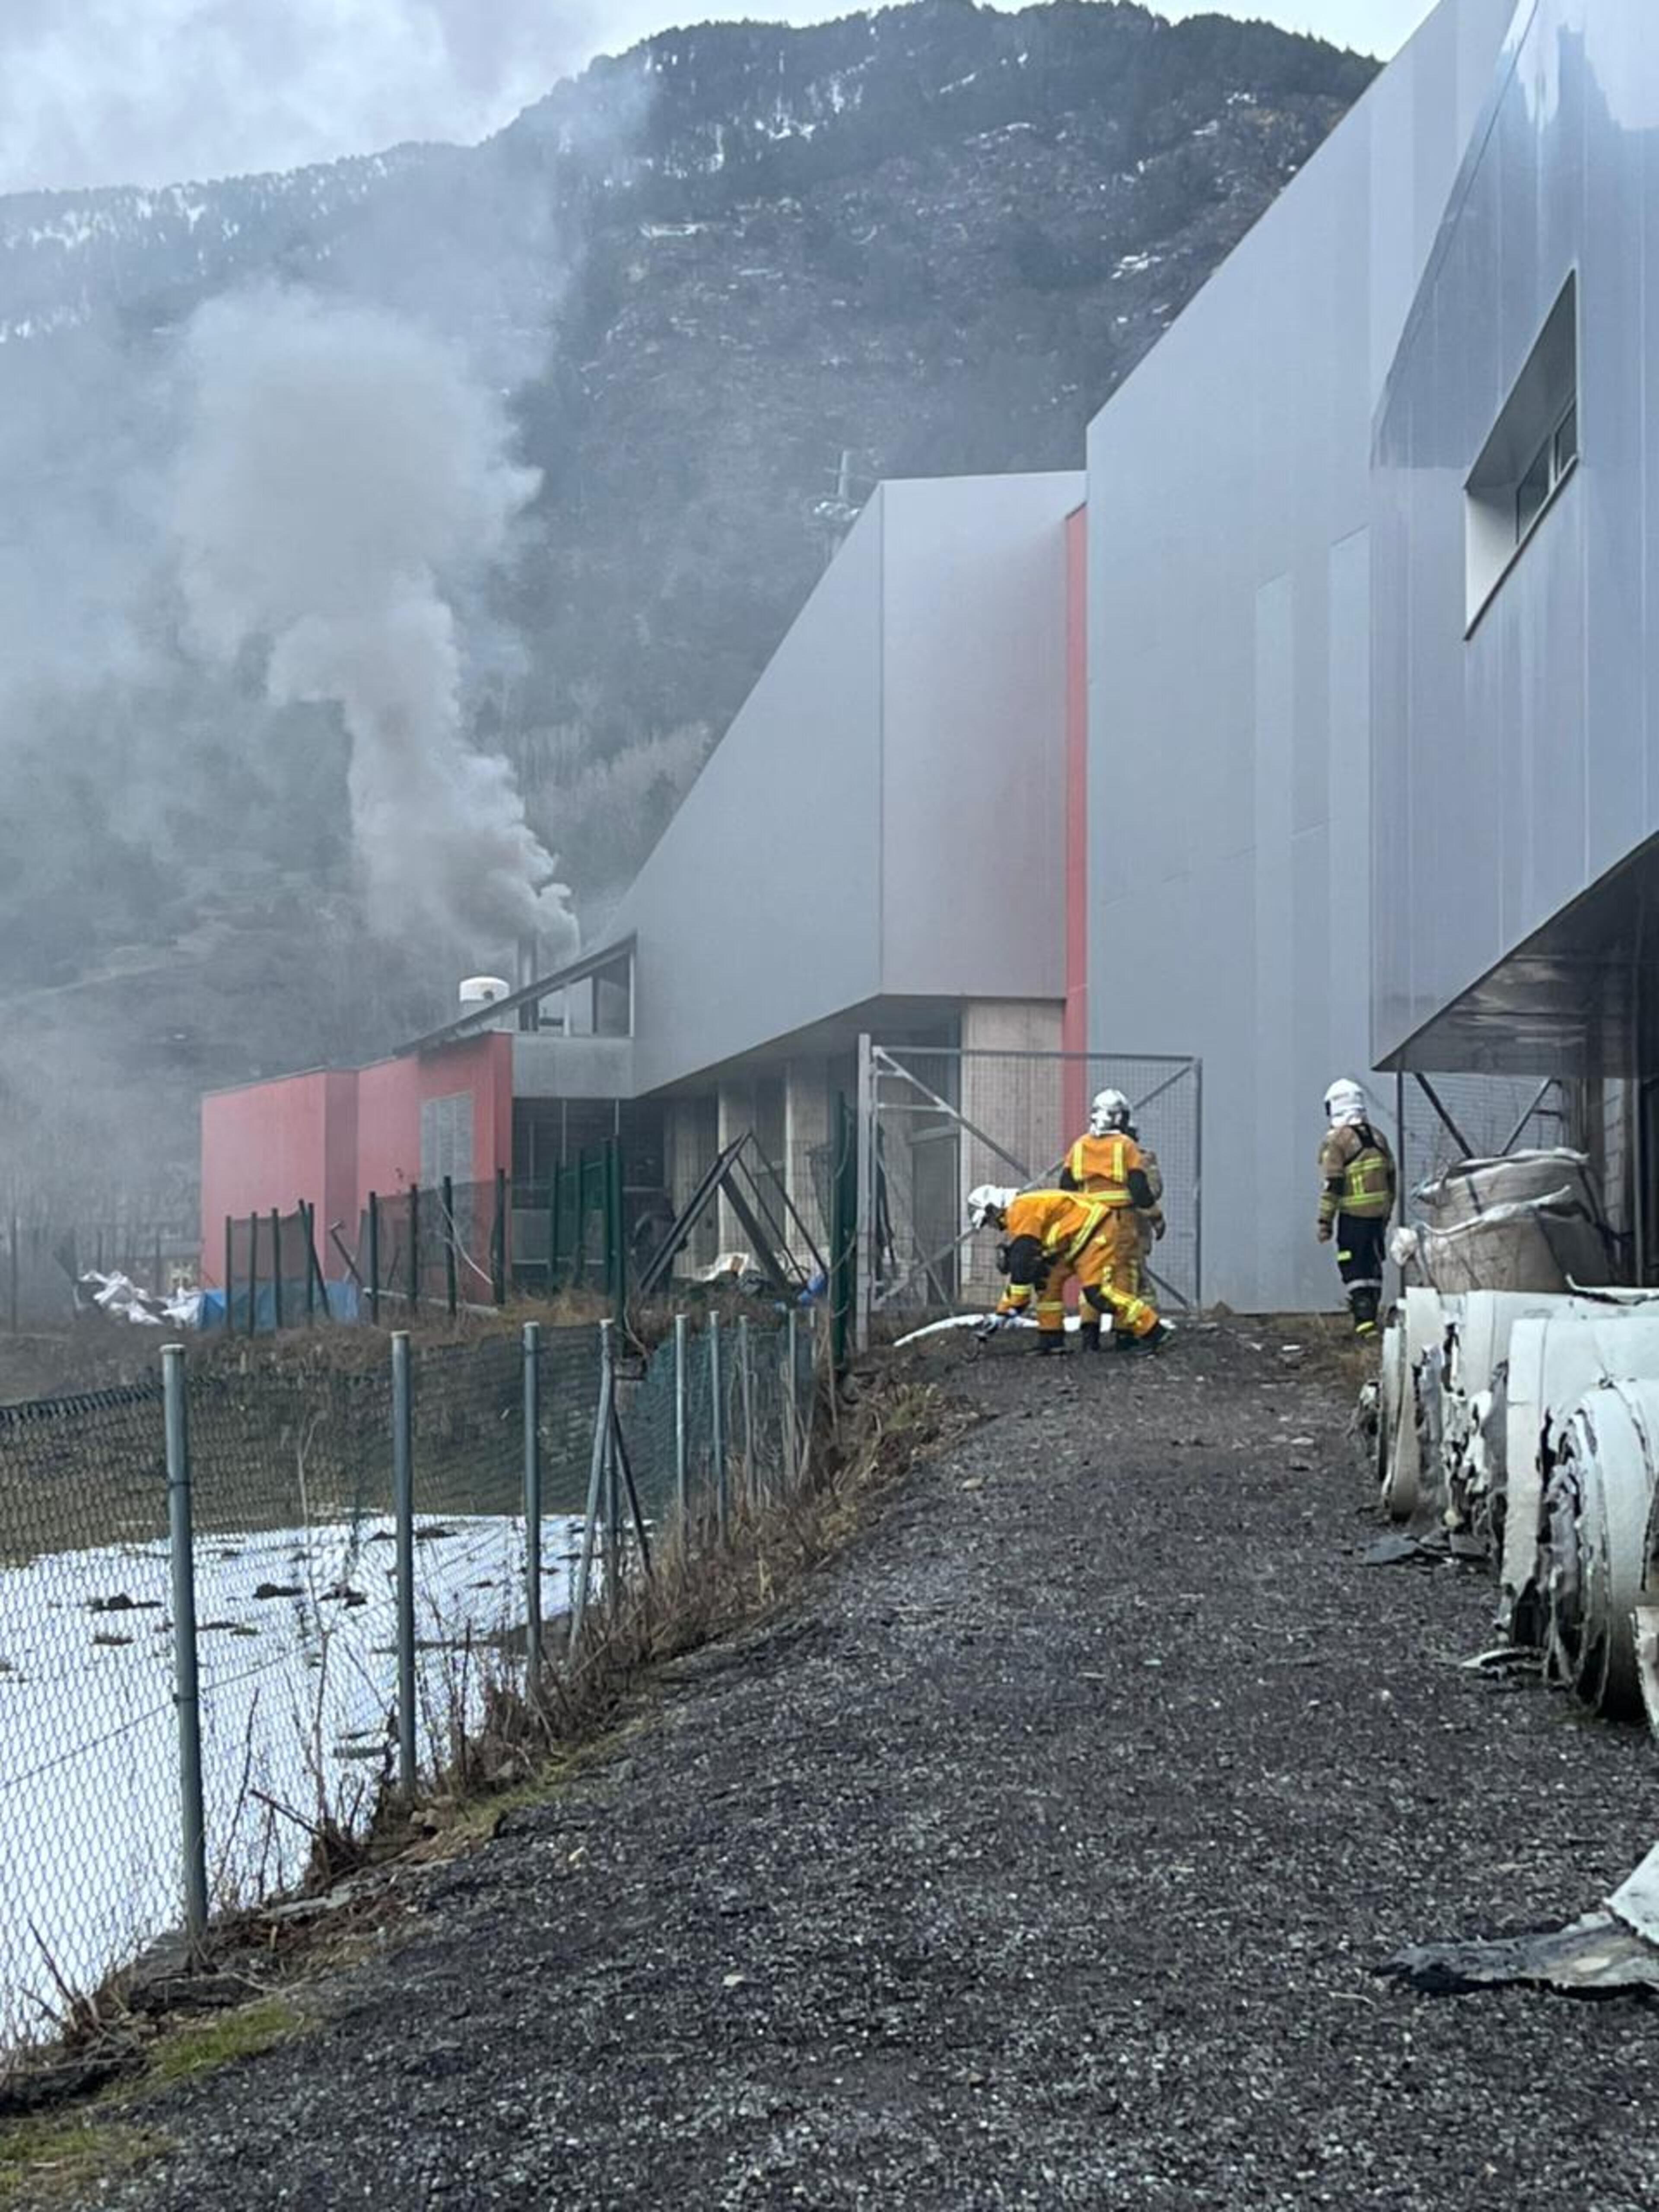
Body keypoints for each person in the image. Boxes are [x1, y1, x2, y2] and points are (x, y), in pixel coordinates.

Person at [966, 1184, 1170, 1354]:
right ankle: (1051, 1338)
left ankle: (1153, 1331)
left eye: (988, 1221)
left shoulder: (1019, 1209)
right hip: (1075, 1239)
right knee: (1046, 1282)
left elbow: (1023, 1260)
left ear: (994, 1209)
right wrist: (1003, 1312)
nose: (993, 1227)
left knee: (1099, 1294)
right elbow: (1027, 1263)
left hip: (1096, 1230)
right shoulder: (1022, 1208)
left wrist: (1006, 1313)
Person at [1059, 1087, 1166, 1350]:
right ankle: (1124, 1336)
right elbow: (1141, 1190)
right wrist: (1156, 1217)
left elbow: (1066, 1188)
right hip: (1120, 1221)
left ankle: (1090, 1337)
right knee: (1124, 1277)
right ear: (1120, 1118)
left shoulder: (1079, 1146)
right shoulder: (1127, 1147)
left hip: (1088, 1226)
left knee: (1093, 1277)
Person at [1317, 1079, 1396, 1338]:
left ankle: (1364, 1322)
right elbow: (1392, 1177)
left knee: (1352, 1264)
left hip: (1353, 1217)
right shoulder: (1378, 1137)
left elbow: (1333, 1185)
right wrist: (1386, 1215)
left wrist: (1324, 1222)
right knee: (1373, 1264)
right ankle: (1370, 1318)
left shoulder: (1337, 1142)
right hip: (1377, 1217)